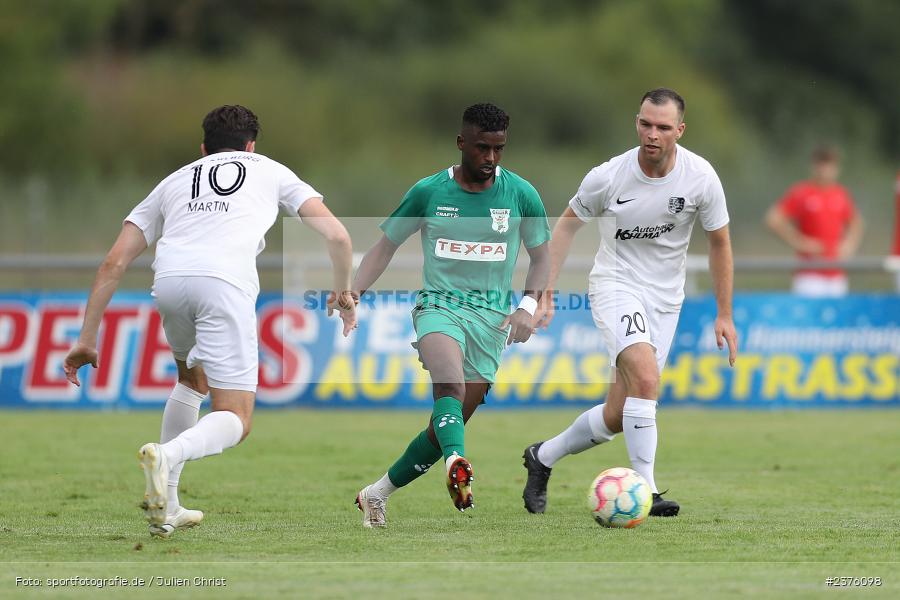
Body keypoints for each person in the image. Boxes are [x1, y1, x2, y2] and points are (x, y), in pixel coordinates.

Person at [63, 105, 356, 537]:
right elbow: (338, 235)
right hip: (223, 284)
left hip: (169, 281)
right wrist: (344, 292)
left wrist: (87, 339)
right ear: (251, 145)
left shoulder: (175, 181)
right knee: (236, 418)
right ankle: (168, 454)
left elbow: (113, 262)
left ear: (203, 149)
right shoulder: (271, 169)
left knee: (191, 381)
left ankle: (168, 508)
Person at [521, 88, 737, 517]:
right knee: (647, 377)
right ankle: (647, 490)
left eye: (662, 127)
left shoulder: (701, 177)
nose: (651, 134)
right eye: (645, 124)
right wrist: (544, 292)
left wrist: (725, 313)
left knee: (619, 415)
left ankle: (542, 456)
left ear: (680, 130)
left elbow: (720, 243)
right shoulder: (608, 176)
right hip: (615, 286)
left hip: (666, 300)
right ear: (636, 122)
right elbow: (563, 228)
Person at [353, 103, 550, 527]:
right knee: (449, 385)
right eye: (482, 148)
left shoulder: (520, 194)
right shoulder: (429, 191)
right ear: (462, 143)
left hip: (492, 321)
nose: (491, 158)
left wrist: (528, 306)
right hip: (439, 307)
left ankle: (375, 494)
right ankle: (457, 462)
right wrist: (354, 289)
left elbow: (540, 256)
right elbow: (385, 246)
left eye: (499, 149)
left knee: (443, 424)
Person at [765, 145, 864, 297]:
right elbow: (773, 219)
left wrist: (849, 245)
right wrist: (800, 242)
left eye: (829, 164)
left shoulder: (841, 194)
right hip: (809, 274)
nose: (825, 170)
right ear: (814, 166)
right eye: (822, 164)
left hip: (836, 274)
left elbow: (856, 223)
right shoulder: (802, 192)